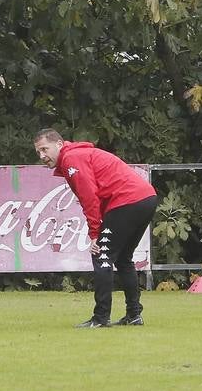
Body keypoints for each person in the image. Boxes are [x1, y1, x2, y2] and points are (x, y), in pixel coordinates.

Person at [33, 128, 159, 328]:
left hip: (127, 201)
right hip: (146, 198)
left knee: (102, 255)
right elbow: (97, 197)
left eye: (44, 149)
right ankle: (134, 315)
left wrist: (94, 233)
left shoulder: (71, 159)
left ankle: (101, 318)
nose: (42, 156)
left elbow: (89, 198)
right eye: (38, 152)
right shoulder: (78, 155)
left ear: (59, 144)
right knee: (124, 258)